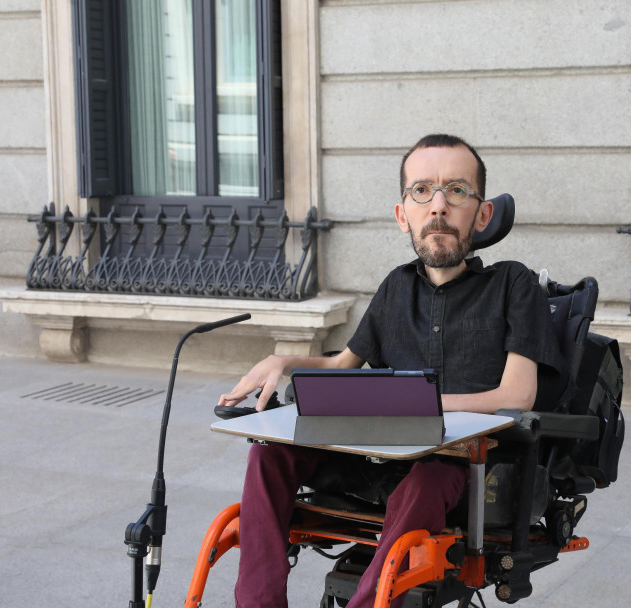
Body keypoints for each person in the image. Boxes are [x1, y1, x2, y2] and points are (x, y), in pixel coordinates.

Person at [218, 134, 566, 608]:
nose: (438, 206)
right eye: (422, 191)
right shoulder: (395, 289)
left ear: (482, 215)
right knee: (268, 457)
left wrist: (416, 401)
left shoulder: (513, 284)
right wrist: (283, 363)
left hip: (460, 467)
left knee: (427, 478)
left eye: (457, 191)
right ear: (404, 214)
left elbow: (517, 394)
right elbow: (342, 367)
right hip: (375, 458)